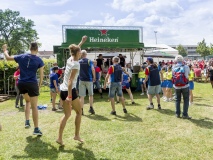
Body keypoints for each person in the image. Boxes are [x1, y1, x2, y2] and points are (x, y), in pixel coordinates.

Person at [2, 43, 44, 135]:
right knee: (34, 106)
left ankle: (27, 121)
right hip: (32, 83)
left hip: (21, 84)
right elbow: (41, 76)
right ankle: (36, 129)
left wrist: (5, 50)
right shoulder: (39, 60)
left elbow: (8, 58)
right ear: (37, 49)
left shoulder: (21, 56)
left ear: (30, 48)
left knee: (27, 102)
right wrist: (39, 86)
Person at [56, 35, 87, 146]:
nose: (81, 54)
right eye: (80, 52)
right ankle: (76, 135)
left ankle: (59, 138)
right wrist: (70, 96)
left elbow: (76, 49)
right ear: (78, 53)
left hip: (62, 90)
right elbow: (70, 80)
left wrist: (81, 42)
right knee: (79, 112)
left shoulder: (70, 59)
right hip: (69, 90)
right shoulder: (76, 64)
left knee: (67, 114)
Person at [79, 50, 96, 115]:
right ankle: (91, 108)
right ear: (86, 54)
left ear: (81, 55)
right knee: (91, 95)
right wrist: (94, 77)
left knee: (82, 96)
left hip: (81, 80)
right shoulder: (89, 61)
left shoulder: (79, 62)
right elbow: (93, 69)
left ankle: (81, 110)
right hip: (89, 80)